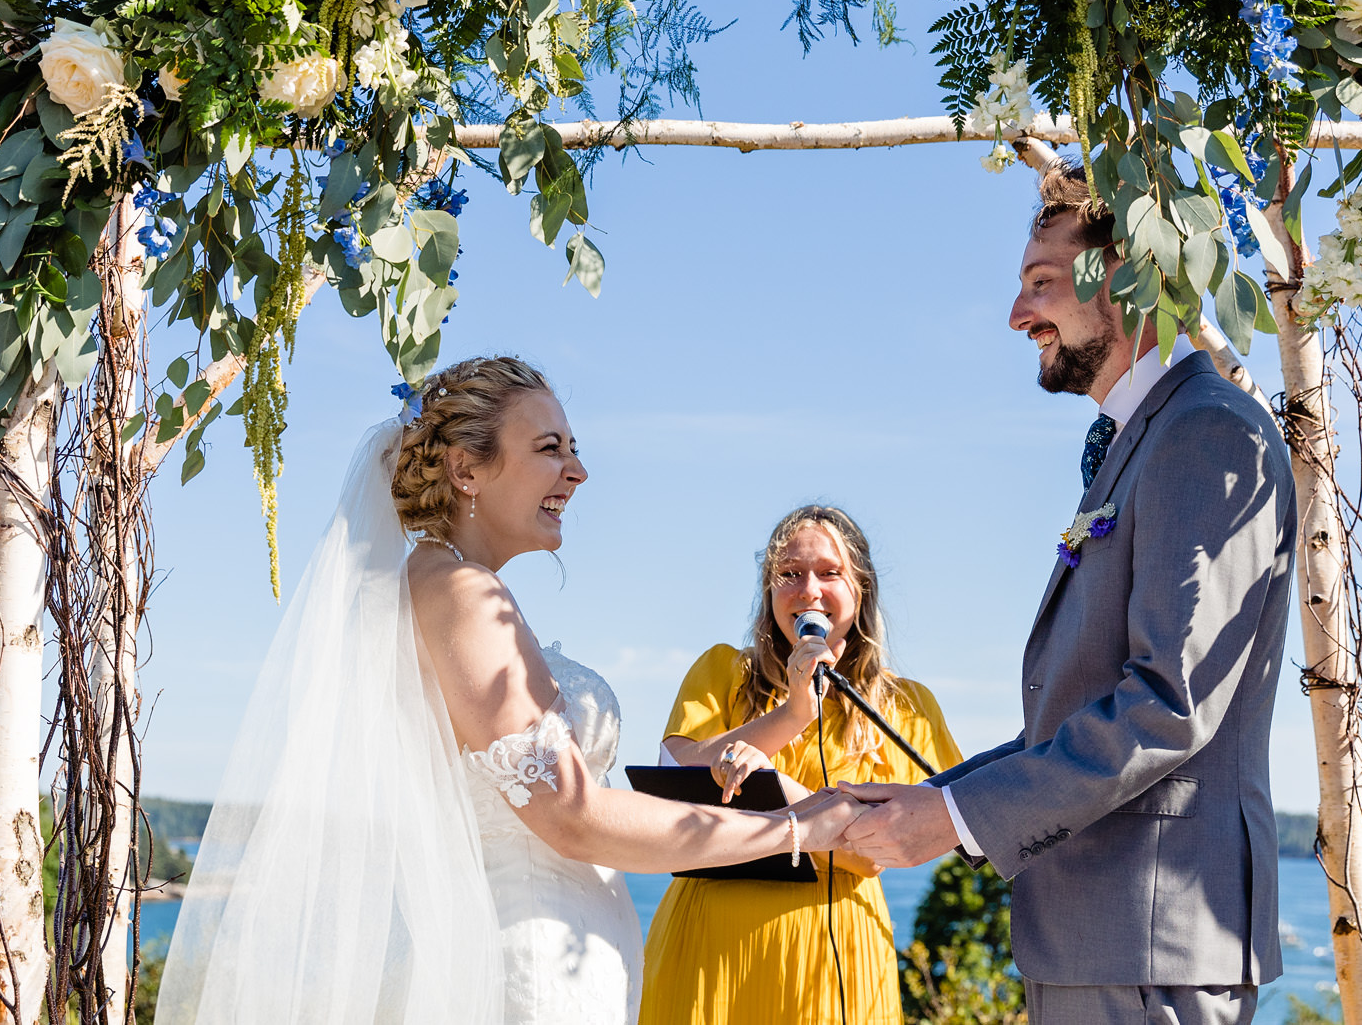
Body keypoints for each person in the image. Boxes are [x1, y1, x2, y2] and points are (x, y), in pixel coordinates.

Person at [155, 357, 865, 1025]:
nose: (579, 471)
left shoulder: (441, 587)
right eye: (551, 447)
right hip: (524, 969)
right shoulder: (462, 595)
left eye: (574, 448)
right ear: (467, 468)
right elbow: (573, 815)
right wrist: (795, 828)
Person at [837, 164, 1296, 1025]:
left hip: (1151, 947)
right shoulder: (1144, 438)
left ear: (1125, 276)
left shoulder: (1206, 431)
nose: (1018, 315)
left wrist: (956, 819)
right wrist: (927, 802)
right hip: (1100, 942)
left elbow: (1166, 704)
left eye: (1039, 285)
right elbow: (1079, 704)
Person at [639, 506, 962, 1025]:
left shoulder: (907, 706)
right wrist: (793, 713)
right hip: (711, 953)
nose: (808, 590)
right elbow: (672, 778)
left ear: (861, 590)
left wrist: (789, 796)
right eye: (789, 574)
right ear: (770, 593)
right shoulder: (723, 669)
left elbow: (918, 834)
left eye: (829, 573)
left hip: (840, 957)